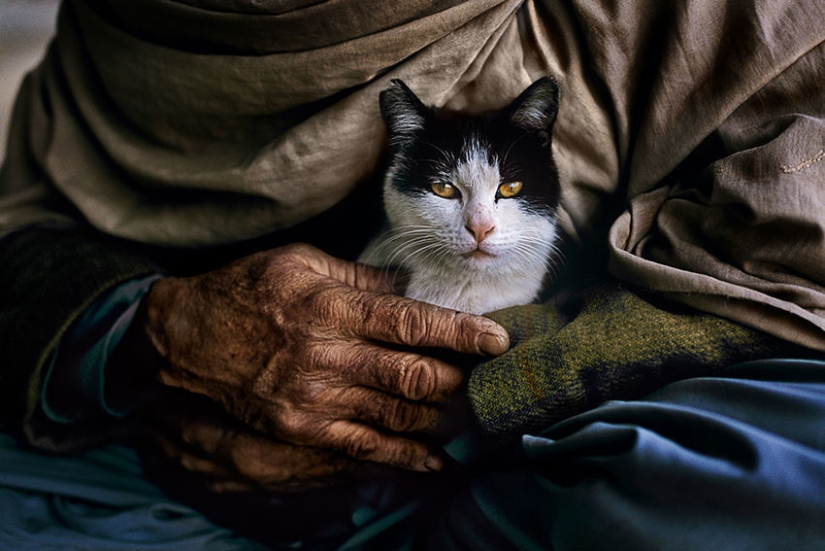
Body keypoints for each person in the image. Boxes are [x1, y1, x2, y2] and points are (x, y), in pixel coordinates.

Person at [2, 0, 825, 549]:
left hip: (634, 371)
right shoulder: (121, 35)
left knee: (738, 482)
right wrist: (138, 329)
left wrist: (496, 374)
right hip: (174, 431)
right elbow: (22, 224)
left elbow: (793, 225)